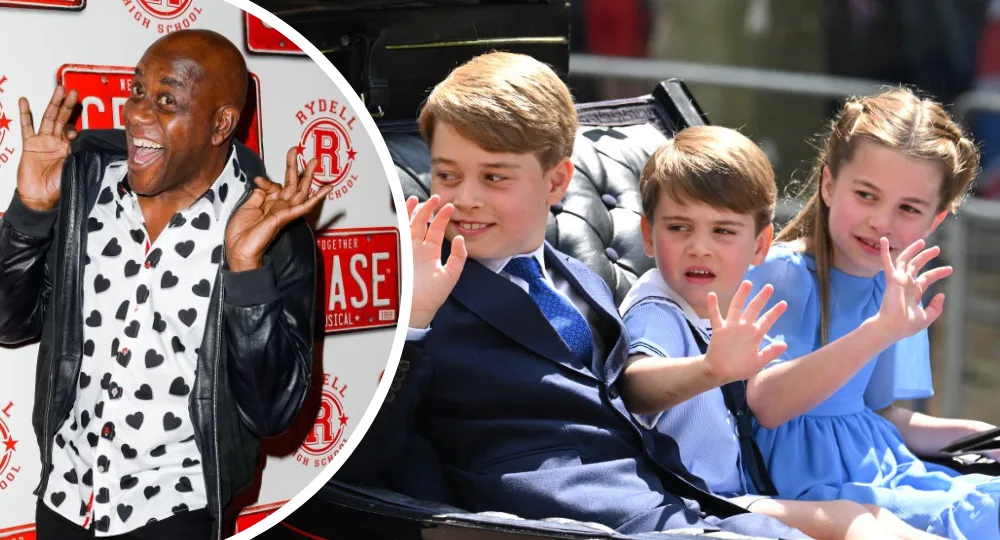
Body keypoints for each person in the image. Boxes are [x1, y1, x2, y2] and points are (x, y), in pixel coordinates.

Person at [338, 50, 808, 538]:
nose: (465, 199)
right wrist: (412, 320)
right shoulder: (416, 290)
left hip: (669, 497)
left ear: (557, 181)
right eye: (447, 175)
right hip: (554, 518)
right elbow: (356, 463)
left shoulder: (582, 279)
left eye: (494, 177)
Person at [0, 30, 330, 540]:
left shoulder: (272, 233)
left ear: (221, 124)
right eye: (137, 91)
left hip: (174, 513)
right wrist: (30, 212)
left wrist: (246, 267)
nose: (136, 113)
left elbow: (272, 413)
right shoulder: (85, 188)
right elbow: (9, 324)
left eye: (166, 100)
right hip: (65, 500)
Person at [618, 125, 943, 540]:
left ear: (759, 245)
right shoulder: (658, 307)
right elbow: (633, 386)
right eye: (679, 227)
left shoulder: (729, 306)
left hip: (738, 494)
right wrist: (708, 369)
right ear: (648, 235)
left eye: (722, 230)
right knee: (849, 521)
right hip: (693, 502)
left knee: (877, 518)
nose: (699, 247)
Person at [743, 87, 1000, 539]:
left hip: (889, 472)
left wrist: (983, 435)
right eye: (866, 195)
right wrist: (879, 331)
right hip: (820, 493)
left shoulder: (895, 285)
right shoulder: (780, 273)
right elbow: (767, 406)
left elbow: (878, 415)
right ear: (829, 185)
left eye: (908, 208)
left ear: (934, 220)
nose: (882, 222)